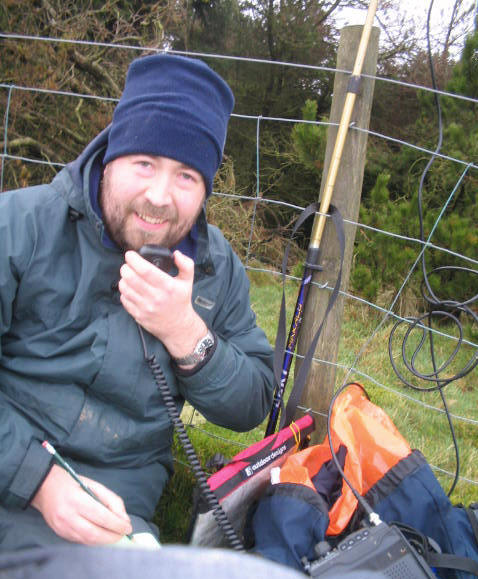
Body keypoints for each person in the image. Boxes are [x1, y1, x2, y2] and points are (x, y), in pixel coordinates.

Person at [0, 53, 275, 551]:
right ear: (110, 157)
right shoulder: (21, 226)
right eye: (145, 163)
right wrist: (38, 480)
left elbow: (253, 399)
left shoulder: (214, 268)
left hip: (116, 508)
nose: (160, 195)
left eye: (187, 176)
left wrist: (186, 333)